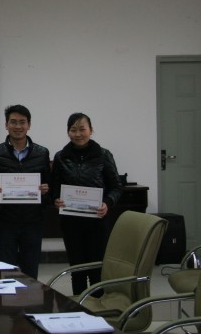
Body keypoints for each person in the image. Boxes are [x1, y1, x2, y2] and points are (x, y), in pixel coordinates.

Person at [50, 112, 123, 295]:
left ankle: (98, 306)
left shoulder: (104, 155)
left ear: (91, 130)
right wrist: (55, 199)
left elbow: (116, 187)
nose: (78, 134)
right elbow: (54, 187)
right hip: (71, 223)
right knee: (77, 270)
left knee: (97, 269)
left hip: (97, 222)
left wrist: (107, 203)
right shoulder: (60, 157)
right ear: (68, 132)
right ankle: (79, 306)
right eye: (73, 130)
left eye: (82, 129)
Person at [0, 105, 51, 279]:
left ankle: (30, 298)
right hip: (7, 221)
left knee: (30, 270)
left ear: (29, 125)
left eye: (22, 122)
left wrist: (45, 190)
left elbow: (49, 185)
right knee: (5, 270)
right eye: (13, 122)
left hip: (33, 221)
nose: (18, 126)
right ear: (6, 125)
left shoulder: (42, 153)